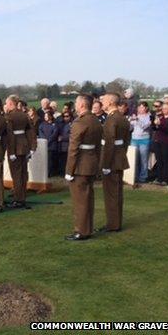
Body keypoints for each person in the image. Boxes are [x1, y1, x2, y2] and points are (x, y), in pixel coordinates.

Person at [64, 94, 102, 241]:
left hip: (80, 166)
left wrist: (69, 170)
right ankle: (88, 228)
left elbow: (73, 149)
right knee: (88, 198)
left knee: (80, 200)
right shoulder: (95, 121)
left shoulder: (79, 122)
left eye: (76, 103)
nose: (75, 105)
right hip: (91, 163)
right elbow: (98, 146)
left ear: (81, 105)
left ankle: (81, 230)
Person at [98, 93, 131, 233]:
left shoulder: (112, 119)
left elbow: (109, 143)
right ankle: (115, 222)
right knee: (116, 193)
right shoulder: (122, 118)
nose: (101, 102)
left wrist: (105, 164)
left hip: (111, 161)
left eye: (104, 100)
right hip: (119, 158)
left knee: (111, 193)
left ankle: (113, 224)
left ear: (111, 102)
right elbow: (126, 141)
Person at [5, 94, 37, 209]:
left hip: (15, 148)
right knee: (23, 174)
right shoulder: (24, 115)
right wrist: (33, 147)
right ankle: (22, 197)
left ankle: (18, 199)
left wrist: (12, 151)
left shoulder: (9, 117)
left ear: (10, 104)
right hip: (24, 146)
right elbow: (31, 132)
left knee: (17, 175)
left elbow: (10, 136)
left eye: (6, 103)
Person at [130, 102, 152, 183]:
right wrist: (130, 121)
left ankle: (143, 177)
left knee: (143, 160)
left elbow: (144, 126)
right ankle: (134, 176)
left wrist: (137, 120)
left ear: (146, 108)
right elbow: (130, 128)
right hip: (134, 139)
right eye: (138, 107)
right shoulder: (136, 116)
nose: (139, 109)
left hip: (144, 140)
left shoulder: (149, 117)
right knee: (134, 159)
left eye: (142, 107)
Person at [38, 111, 59, 177]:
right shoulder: (42, 124)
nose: (45, 117)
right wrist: (44, 141)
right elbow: (41, 133)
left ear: (50, 116)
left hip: (51, 145)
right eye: (45, 116)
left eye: (46, 116)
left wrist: (48, 141)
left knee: (50, 160)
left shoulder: (55, 125)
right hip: (44, 146)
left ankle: (50, 173)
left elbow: (54, 134)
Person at [58, 112, 73, 177]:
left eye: (67, 116)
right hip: (61, 146)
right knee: (62, 160)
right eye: (64, 116)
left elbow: (72, 135)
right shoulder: (61, 124)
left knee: (68, 160)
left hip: (68, 145)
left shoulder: (72, 124)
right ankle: (61, 172)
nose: (65, 118)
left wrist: (63, 138)